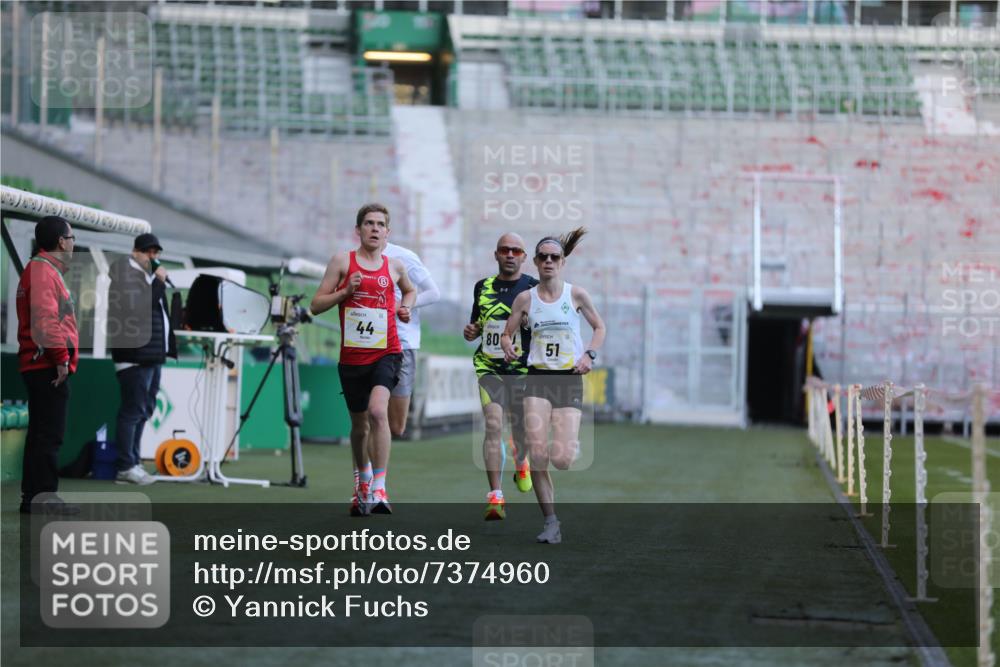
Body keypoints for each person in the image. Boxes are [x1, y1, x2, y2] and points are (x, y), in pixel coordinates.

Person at [310, 203, 416, 516]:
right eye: (369, 223)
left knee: (378, 412)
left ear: (387, 232)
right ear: (358, 230)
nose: (374, 229)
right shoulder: (342, 261)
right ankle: (362, 481)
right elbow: (316, 305)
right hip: (353, 358)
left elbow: (410, 291)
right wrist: (345, 292)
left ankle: (380, 488)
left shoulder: (395, 266)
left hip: (387, 352)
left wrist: (406, 307)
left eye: (380, 224)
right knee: (359, 426)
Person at [502, 227, 606, 544]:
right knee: (537, 454)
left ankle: (568, 444)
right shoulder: (525, 299)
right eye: (543, 257)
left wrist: (589, 354)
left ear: (562, 262)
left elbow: (599, 327)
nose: (548, 261)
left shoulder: (576, 295)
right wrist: (507, 345)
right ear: (535, 262)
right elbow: (507, 333)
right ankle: (551, 522)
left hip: (568, 380)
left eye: (554, 257)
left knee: (561, 460)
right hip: (537, 378)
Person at [464, 233, 538, 521]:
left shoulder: (534, 288)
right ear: (496, 254)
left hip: (522, 371)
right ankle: (495, 496)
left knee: (521, 429)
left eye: (516, 251)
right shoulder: (482, 287)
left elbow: (545, 327)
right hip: (490, 368)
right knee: (493, 424)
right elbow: (477, 325)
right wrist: (471, 331)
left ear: (524, 257)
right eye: (504, 250)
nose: (509, 254)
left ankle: (522, 460)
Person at [16, 216, 80, 514]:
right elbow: (46, 320)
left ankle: (33, 498)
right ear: (61, 241)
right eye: (72, 237)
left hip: (41, 363)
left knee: (41, 435)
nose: (74, 243)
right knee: (49, 436)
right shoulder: (43, 271)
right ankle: (43, 498)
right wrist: (61, 359)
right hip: (47, 365)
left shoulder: (42, 269)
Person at [107, 233, 177, 485]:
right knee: (132, 411)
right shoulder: (126, 274)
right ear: (135, 251)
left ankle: (133, 462)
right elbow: (137, 309)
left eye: (156, 252)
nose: (153, 256)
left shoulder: (145, 276)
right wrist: (158, 283)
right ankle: (125, 466)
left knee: (144, 410)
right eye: (148, 251)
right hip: (134, 356)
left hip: (150, 356)